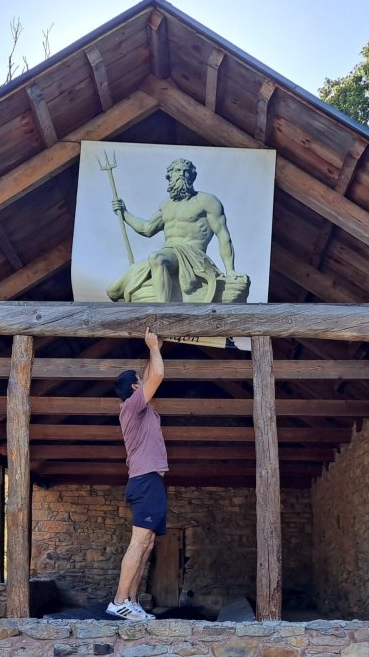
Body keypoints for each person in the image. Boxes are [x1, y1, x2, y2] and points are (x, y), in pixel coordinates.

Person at [106, 158, 247, 303]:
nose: (182, 174)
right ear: (169, 176)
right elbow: (147, 229)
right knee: (113, 290)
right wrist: (124, 213)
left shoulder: (207, 201)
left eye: (186, 172)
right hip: (168, 254)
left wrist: (230, 270)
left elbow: (223, 236)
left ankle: (163, 310)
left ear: (192, 177)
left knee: (156, 258)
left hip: (192, 255)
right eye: (177, 171)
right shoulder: (166, 204)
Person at [105, 328, 168, 621]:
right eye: (139, 383)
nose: (144, 382)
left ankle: (131, 601)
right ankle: (118, 601)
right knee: (139, 541)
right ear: (134, 389)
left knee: (149, 542)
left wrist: (155, 348)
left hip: (150, 481)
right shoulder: (132, 406)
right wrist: (153, 348)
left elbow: (147, 374)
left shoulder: (139, 408)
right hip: (144, 480)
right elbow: (156, 376)